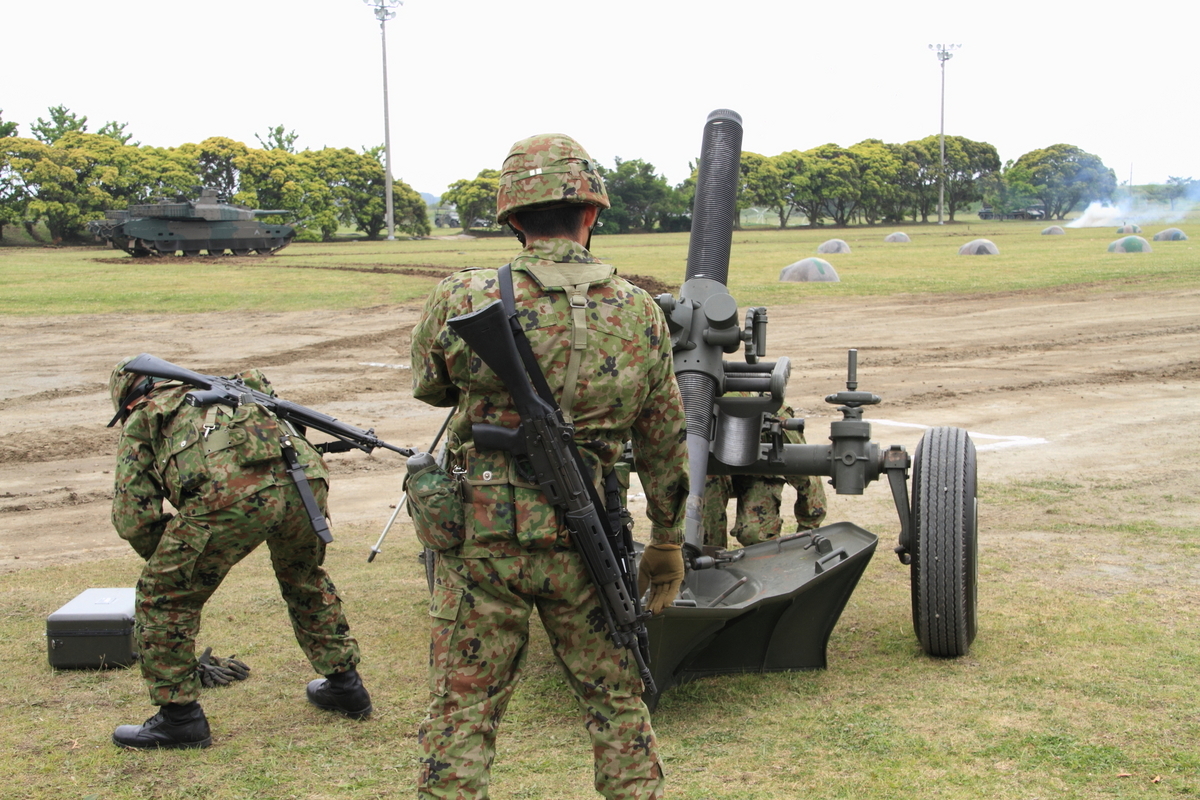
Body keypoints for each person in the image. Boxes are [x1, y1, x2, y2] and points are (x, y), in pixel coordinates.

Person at [409, 133, 690, 800]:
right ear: (591, 214)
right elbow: (663, 440)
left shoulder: (463, 297)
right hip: (583, 536)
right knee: (619, 707)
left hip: (480, 540)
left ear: (512, 218)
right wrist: (669, 539)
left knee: (462, 715)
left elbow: (432, 387)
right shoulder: (642, 312)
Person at [107, 359, 371, 750]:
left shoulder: (146, 416)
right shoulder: (240, 393)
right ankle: (346, 687)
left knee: (162, 598)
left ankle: (179, 720)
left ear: (128, 399)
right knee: (305, 579)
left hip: (232, 497)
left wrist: (173, 565)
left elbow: (134, 518)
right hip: (303, 482)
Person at [702, 403, 827, 549]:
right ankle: (710, 558)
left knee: (755, 535)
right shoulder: (699, 405)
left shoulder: (771, 412)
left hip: (759, 473)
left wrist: (807, 532)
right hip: (715, 472)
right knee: (706, 506)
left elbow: (806, 475)